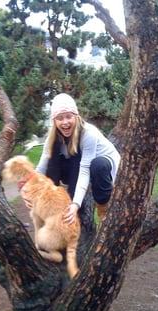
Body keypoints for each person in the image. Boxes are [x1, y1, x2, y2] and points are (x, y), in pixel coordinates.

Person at [36, 93, 121, 225]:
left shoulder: (88, 133)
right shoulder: (52, 138)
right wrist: (30, 186)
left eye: (69, 116)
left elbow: (85, 170)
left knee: (97, 165)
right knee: (52, 162)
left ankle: (103, 206)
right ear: (54, 121)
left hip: (104, 166)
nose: (65, 122)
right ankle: (55, 201)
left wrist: (75, 204)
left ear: (76, 116)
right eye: (60, 118)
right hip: (81, 163)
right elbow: (42, 167)